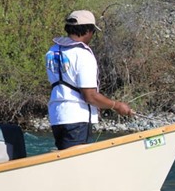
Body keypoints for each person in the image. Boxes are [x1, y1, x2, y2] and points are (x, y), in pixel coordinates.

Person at [45, 10, 133, 150]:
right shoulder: (83, 55)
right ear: (88, 30)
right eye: (93, 31)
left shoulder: (52, 51)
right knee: (77, 164)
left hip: (56, 116)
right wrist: (117, 106)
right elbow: (89, 96)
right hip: (77, 117)